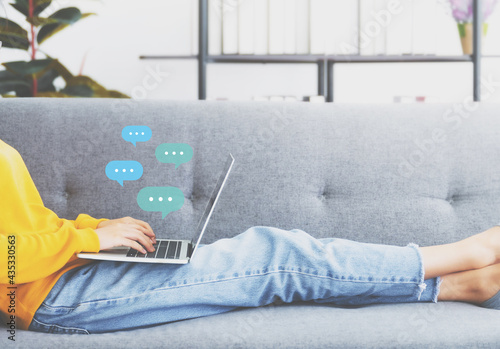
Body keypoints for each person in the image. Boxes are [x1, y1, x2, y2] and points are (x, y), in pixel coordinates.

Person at [1, 138, 500, 335]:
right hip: (52, 296)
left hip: (72, 269)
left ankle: (449, 287)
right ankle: (465, 253)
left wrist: (93, 231)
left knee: (269, 272)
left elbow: (26, 224)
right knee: (275, 256)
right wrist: (84, 244)